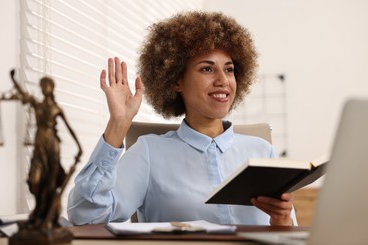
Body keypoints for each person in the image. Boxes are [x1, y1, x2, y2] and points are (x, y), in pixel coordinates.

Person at [68, 11, 297, 226]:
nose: (223, 80)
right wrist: (118, 123)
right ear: (176, 81)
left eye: (229, 69)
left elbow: (289, 239)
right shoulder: (149, 152)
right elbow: (86, 216)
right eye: (207, 69)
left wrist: (283, 221)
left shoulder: (262, 152)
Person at [0, 70, 83, 231]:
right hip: (39, 145)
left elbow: (70, 129)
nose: (44, 87)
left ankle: (47, 217)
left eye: (46, 85)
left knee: (50, 184)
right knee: (35, 180)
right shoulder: (37, 105)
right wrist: (13, 79)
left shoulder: (56, 109)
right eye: (42, 85)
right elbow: (23, 94)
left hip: (52, 146)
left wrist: (79, 147)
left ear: (51, 87)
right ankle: (39, 212)